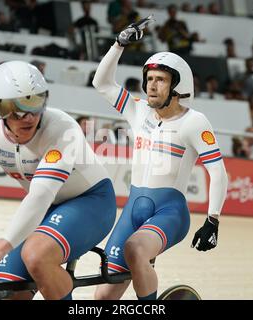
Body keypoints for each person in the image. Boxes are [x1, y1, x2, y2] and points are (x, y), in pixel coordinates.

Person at [0, 61, 116, 300]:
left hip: (92, 202)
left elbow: (40, 196)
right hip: (49, 209)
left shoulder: (62, 129)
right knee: (8, 286)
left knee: (36, 255)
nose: (28, 116)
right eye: (17, 107)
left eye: (34, 102)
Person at [92, 18, 228, 300]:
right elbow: (101, 82)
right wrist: (119, 44)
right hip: (132, 210)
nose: (152, 85)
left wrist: (212, 221)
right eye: (150, 79)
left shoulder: (194, 122)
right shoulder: (138, 111)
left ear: (177, 87)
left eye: (161, 80)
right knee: (102, 297)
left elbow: (218, 173)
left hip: (169, 213)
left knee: (135, 249)